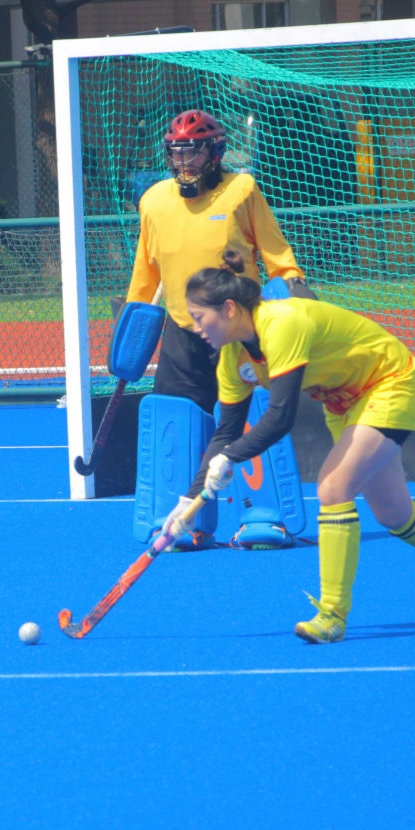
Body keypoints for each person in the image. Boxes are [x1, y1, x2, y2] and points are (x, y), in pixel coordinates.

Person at [163, 250, 415, 644]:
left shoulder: (281, 324)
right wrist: (189, 501)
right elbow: (226, 431)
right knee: (394, 513)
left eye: (199, 317)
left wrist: (232, 457)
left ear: (230, 309)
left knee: (333, 489)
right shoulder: (232, 358)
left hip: (388, 382)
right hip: (342, 403)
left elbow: (280, 418)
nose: (195, 327)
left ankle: (332, 615)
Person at [125, 108, 316, 548]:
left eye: (193, 151)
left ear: (215, 153)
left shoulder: (241, 191)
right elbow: (144, 276)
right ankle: (182, 520)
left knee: (250, 417)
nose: (184, 161)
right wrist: (132, 325)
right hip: (183, 332)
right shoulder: (154, 202)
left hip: (239, 329)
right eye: (177, 152)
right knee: (178, 419)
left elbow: (276, 253)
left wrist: (293, 290)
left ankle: (263, 514)